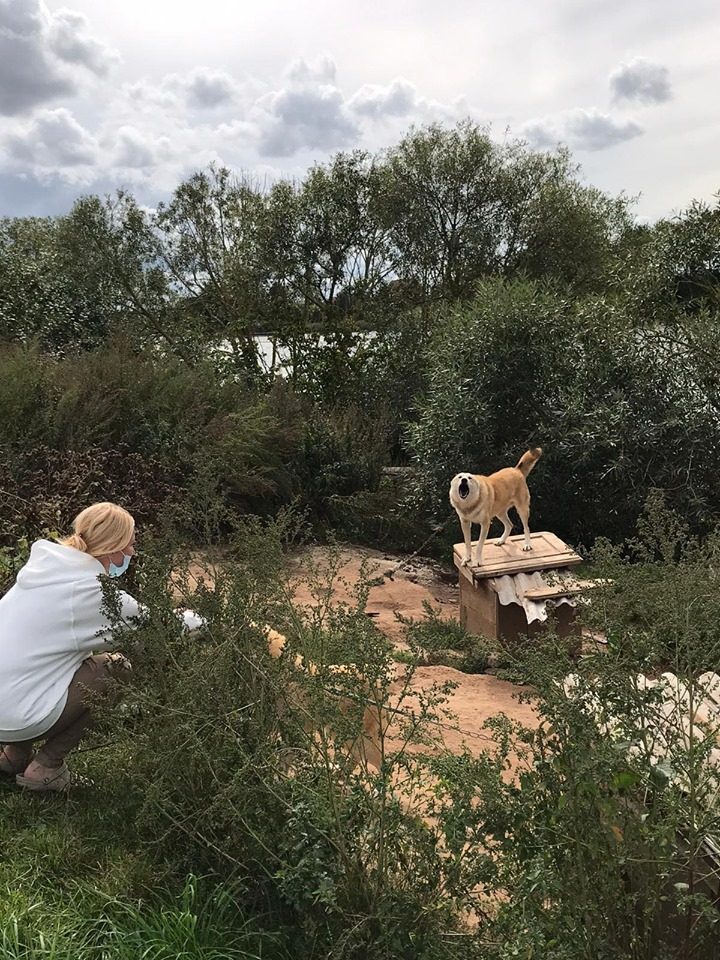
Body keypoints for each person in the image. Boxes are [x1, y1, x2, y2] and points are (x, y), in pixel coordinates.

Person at [0, 502, 202, 793]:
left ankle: (12, 756)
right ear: (113, 545)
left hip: (8, 707)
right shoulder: (88, 592)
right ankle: (46, 768)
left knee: (43, 665)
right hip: (20, 717)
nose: (132, 552)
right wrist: (210, 620)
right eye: (130, 544)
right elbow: (160, 625)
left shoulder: (41, 573)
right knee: (114, 667)